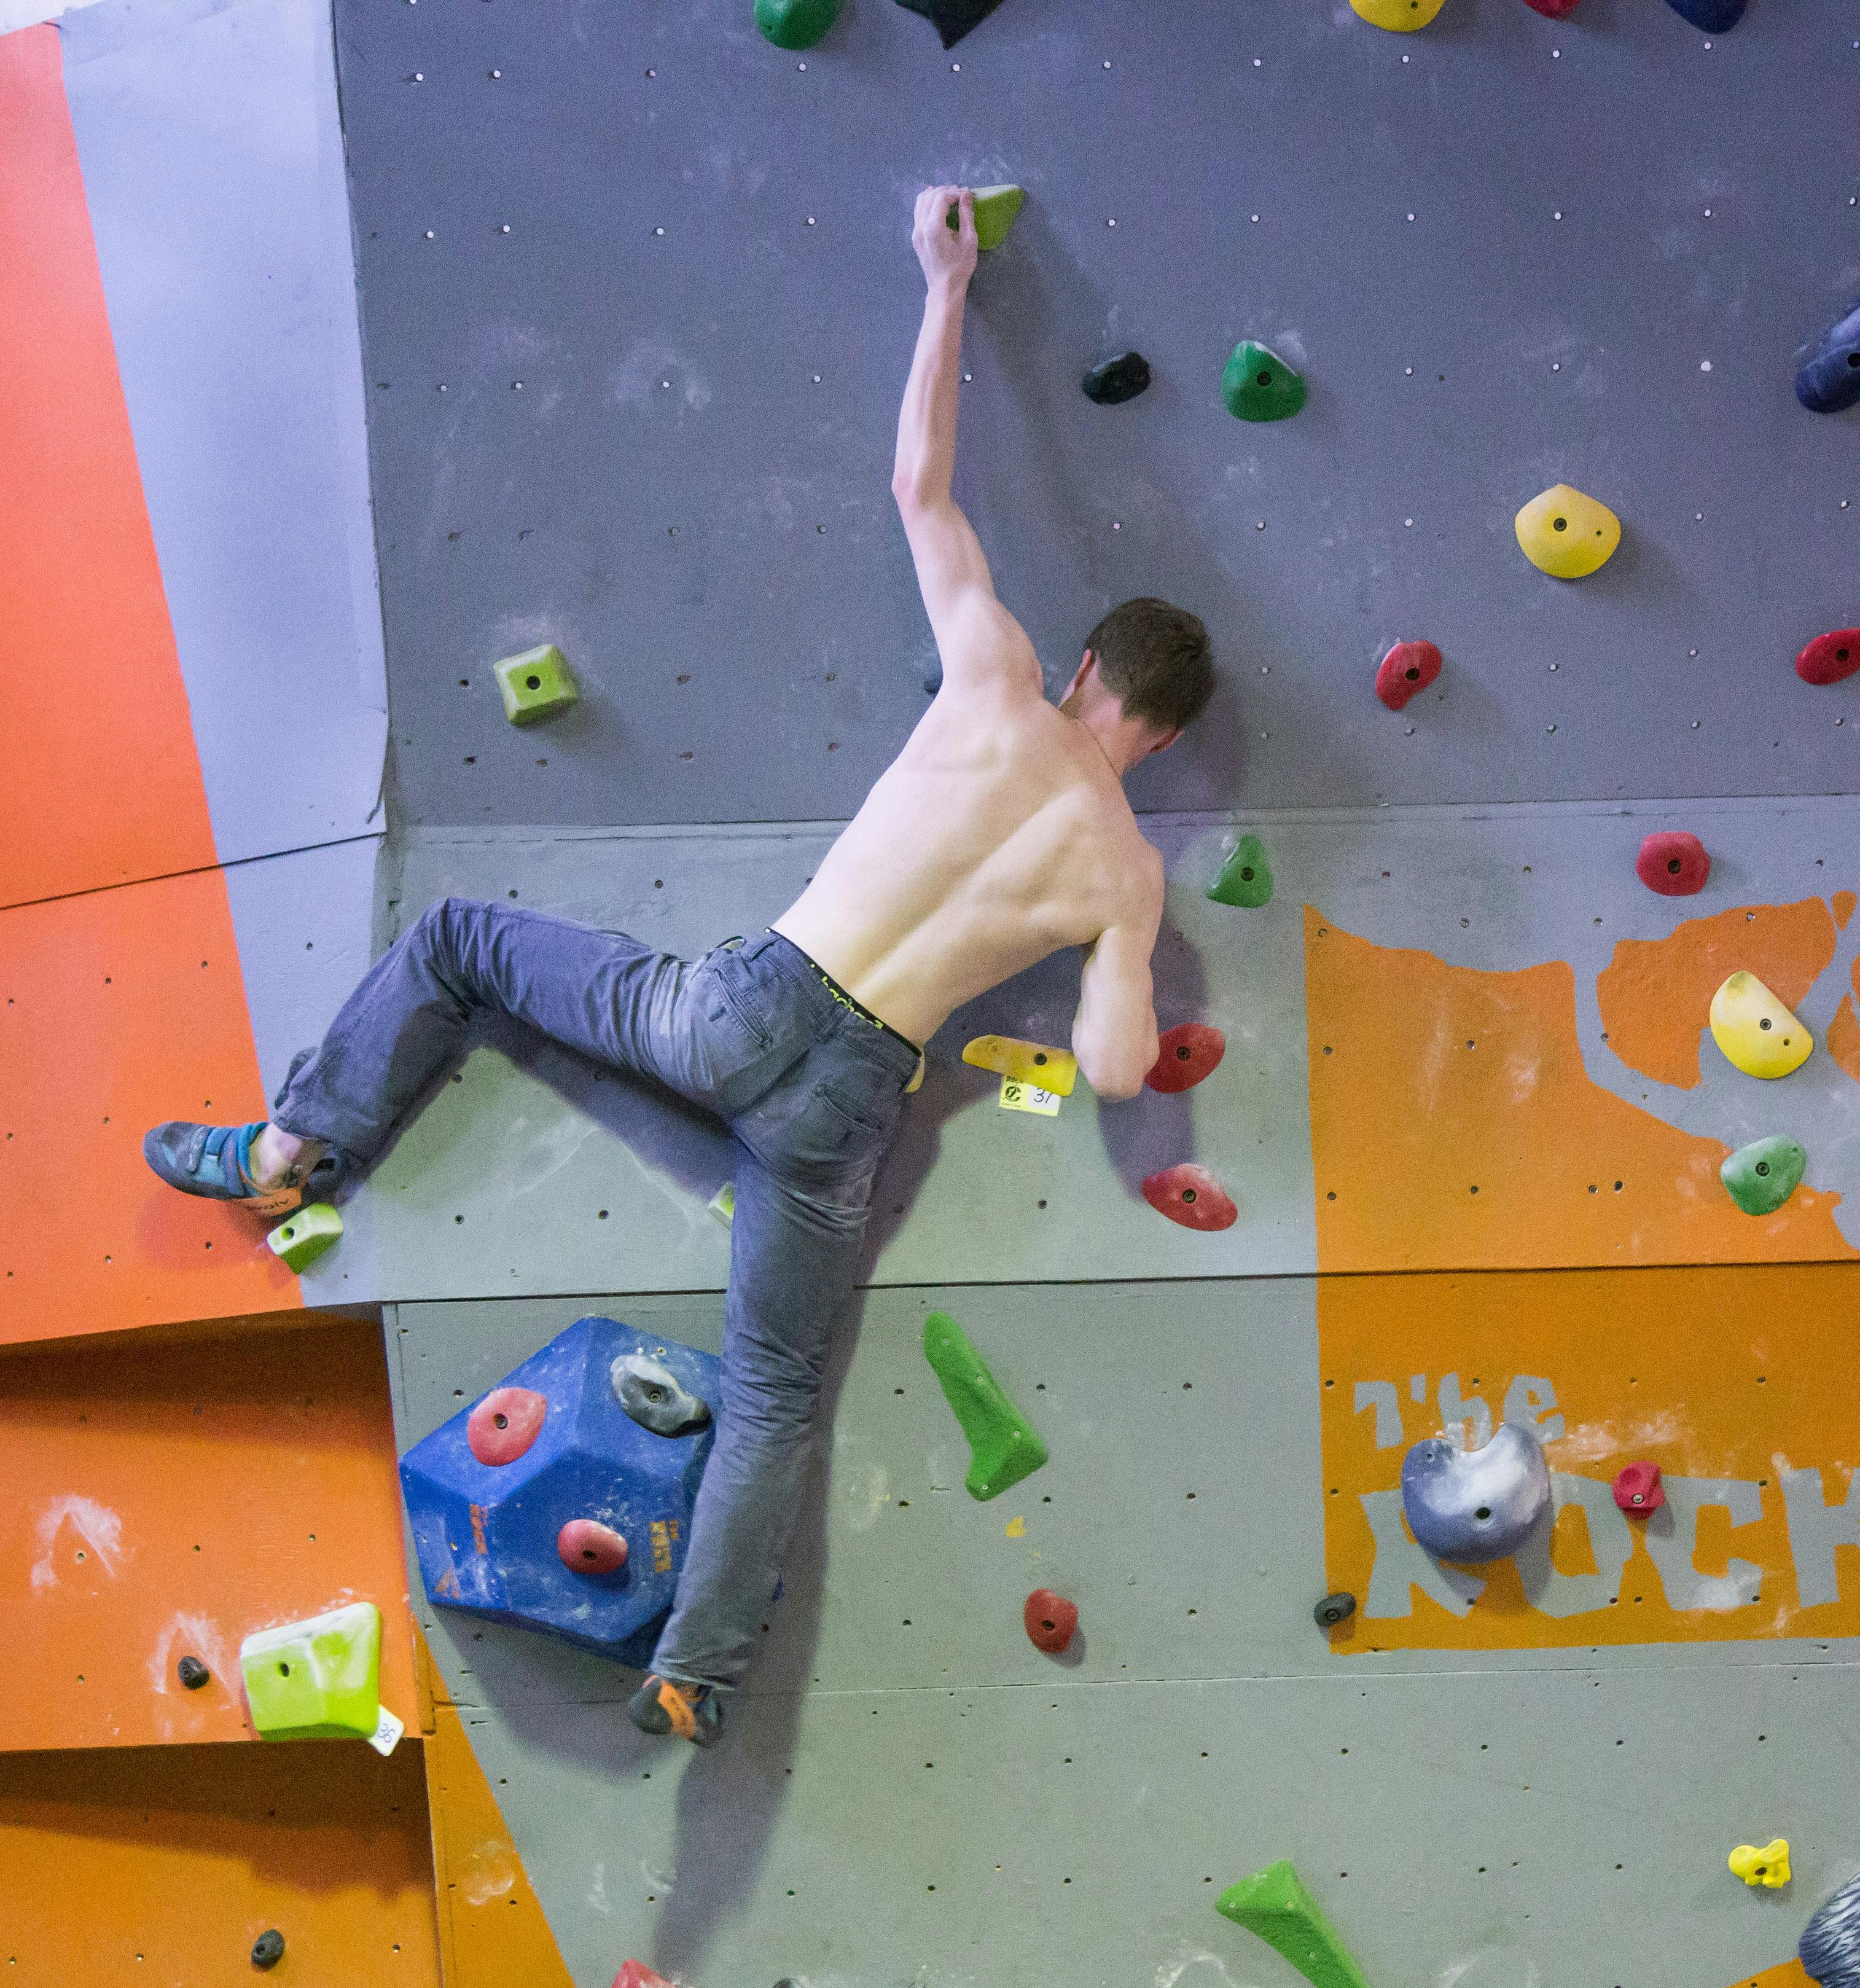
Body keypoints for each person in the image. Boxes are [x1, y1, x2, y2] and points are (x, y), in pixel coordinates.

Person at [144, 186, 1213, 1746]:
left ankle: (288, 1152)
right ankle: (694, 1674)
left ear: (1089, 669)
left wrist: (946, 283)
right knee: (774, 1389)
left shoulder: (998, 677)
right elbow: (1116, 1071)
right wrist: (1127, 948)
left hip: (745, 1006)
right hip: (855, 1103)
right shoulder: (1128, 870)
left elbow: (917, 482)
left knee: (459, 944)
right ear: (1163, 739)